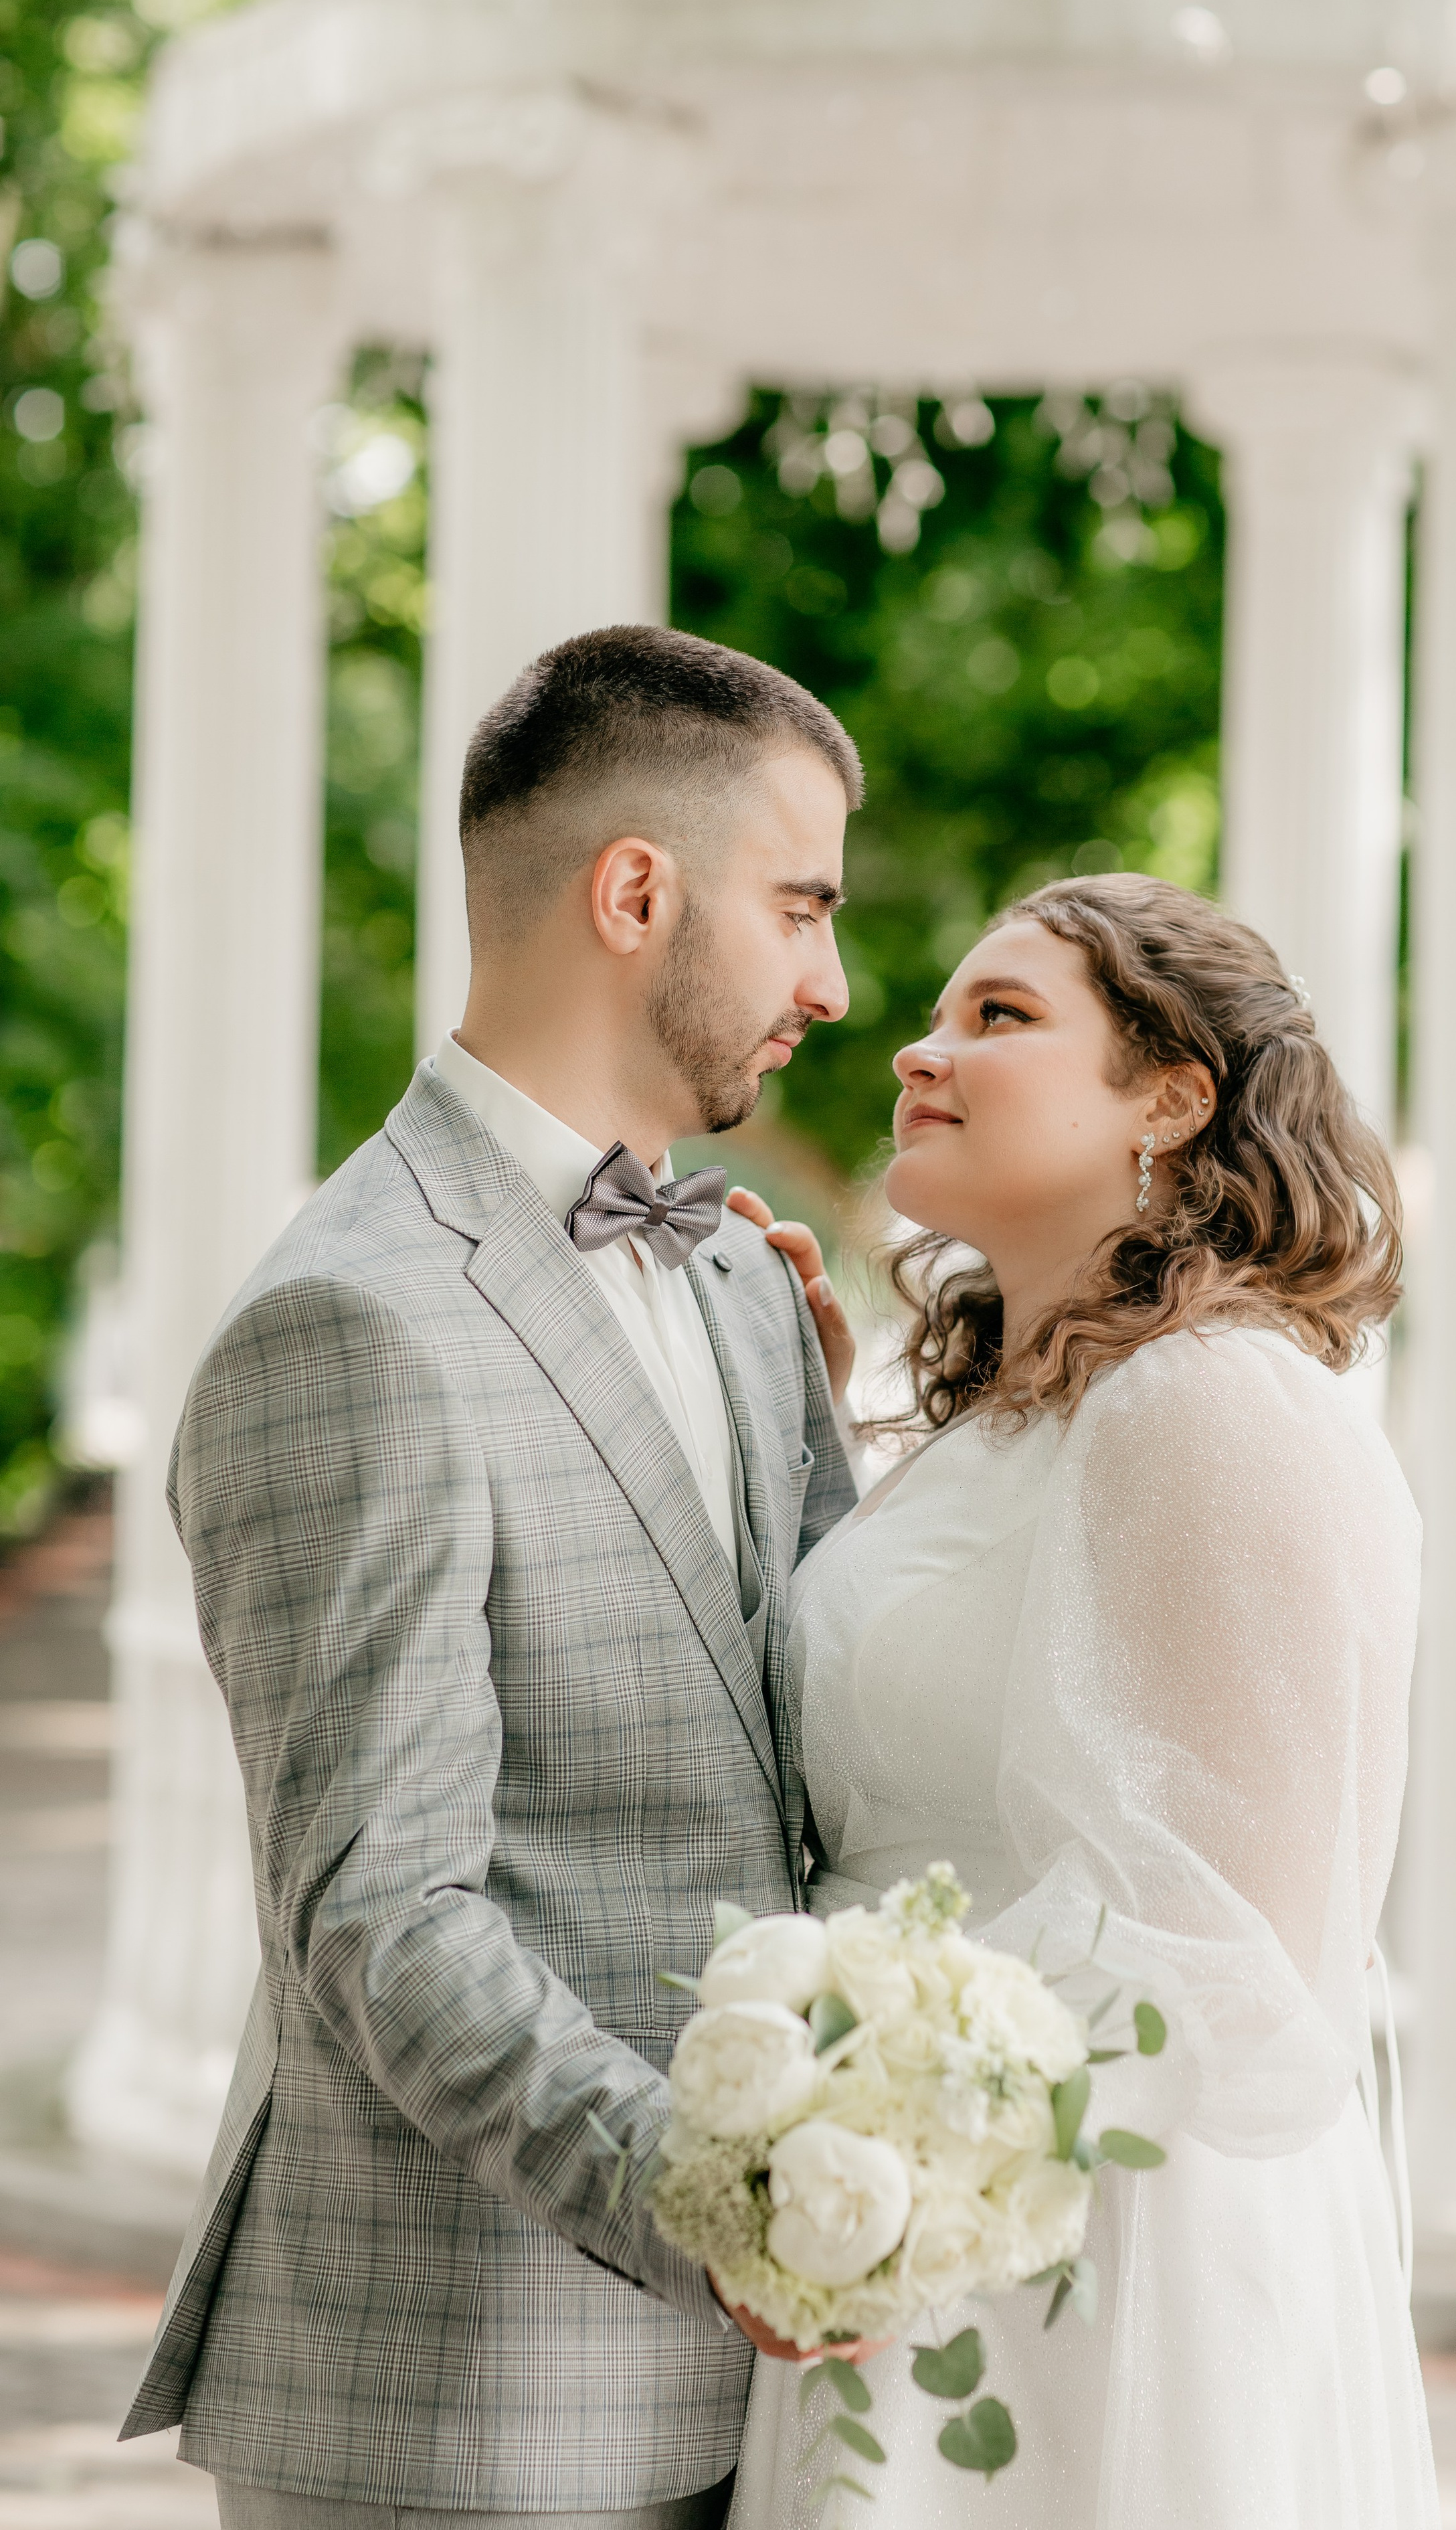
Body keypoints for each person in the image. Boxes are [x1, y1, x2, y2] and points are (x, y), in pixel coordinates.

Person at [120, 626, 864, 2529]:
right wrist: (714, 2207)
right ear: (638, 893)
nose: (835, 985)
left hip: (756, 2411)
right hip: (459, 2408)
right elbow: (386, 1907)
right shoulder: (348, 1321)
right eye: (799, 911)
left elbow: (795, 1755)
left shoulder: (741, 1284)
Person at [729, 873, 1439, 2529]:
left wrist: (876, 2163)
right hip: (913, 2215)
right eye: (937, 1012)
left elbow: (1232, 1960)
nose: (914, 1050)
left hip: (1082, 2252)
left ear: (1171, 1098)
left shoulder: (1212, 1403)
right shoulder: (1012, 1416)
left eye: (998, 1017)